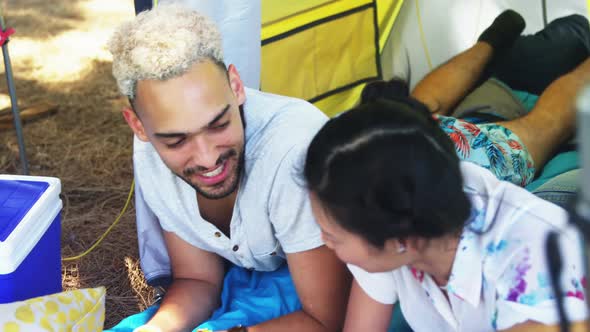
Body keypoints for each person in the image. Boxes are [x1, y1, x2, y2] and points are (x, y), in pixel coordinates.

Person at [303, 11, 590, 332]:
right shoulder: (393, 205)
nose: (324, 241)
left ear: (401, 239)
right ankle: (494, 41)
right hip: (473, 106)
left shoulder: (530, 262)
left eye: (332, 234)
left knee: (563, 54)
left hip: (514, 99)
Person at [108, 4, 349, 332]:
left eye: (218, 124)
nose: (207, 158)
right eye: (177, 141)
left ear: (236, 86)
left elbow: (326, 319)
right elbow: (198, 278)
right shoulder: (150, 154)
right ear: (138, 126)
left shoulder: (294, 151)